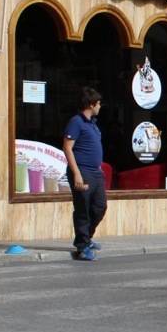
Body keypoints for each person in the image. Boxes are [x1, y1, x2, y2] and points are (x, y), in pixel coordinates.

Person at [63, 87, 107, 262]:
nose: (100, 106)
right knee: (83, 209)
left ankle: (86, 238)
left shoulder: (92, 124)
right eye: (98, 103)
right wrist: (77, 174)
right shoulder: (76, 122)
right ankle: (82, 247)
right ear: (91, 104)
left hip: (96, 172)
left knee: (99, 207)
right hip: (82, 171)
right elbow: (67, 148)